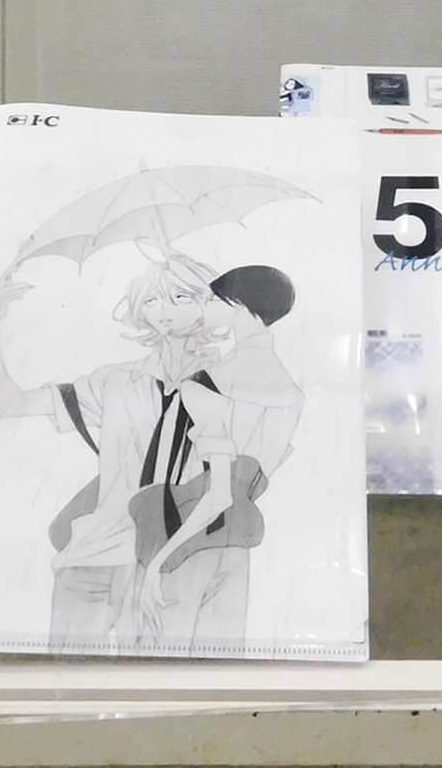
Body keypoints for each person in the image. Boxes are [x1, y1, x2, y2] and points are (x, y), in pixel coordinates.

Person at [0, 251, 220, 649]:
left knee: (150, 678)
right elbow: (11, 404)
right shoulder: (114, 381)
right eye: (151, 300)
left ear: (206, 303)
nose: (164, 310)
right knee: (66, 673)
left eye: (180, 297)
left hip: (166, 564)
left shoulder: (225, 385)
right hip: (91, 555)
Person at [135, 265, 303, 650]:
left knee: (161, 662)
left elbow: (218, 494)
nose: (205, 308)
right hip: (236, 550)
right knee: (221, 662)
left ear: (239, 306)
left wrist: (158, 563)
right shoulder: (291, 392)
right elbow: (250, 480)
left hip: (186, 541)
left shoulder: (208, 382)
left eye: (213, 300)